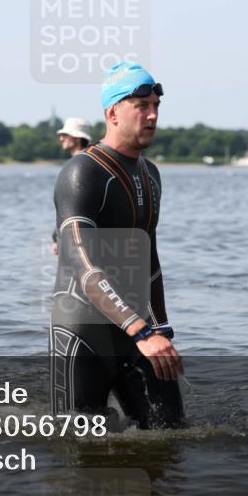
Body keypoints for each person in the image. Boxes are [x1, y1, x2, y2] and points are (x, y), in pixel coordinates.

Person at [50, 61, 184, 430]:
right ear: (112, 113)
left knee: (172, 435)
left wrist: (161, 329)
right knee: (78, 445)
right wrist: (140, 329)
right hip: (84, 330)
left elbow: (149, 257)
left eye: (156, 106)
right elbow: (81, 262)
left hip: (137, 329)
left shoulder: (150, 174)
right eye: (141, 106)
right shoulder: (83, 172)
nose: (152, 115)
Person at [51, 118, 92, 254]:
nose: (61, 138)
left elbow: (76, 206)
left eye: (65, 135)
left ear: (77, 138)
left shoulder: (82, 166)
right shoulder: (87, 162)